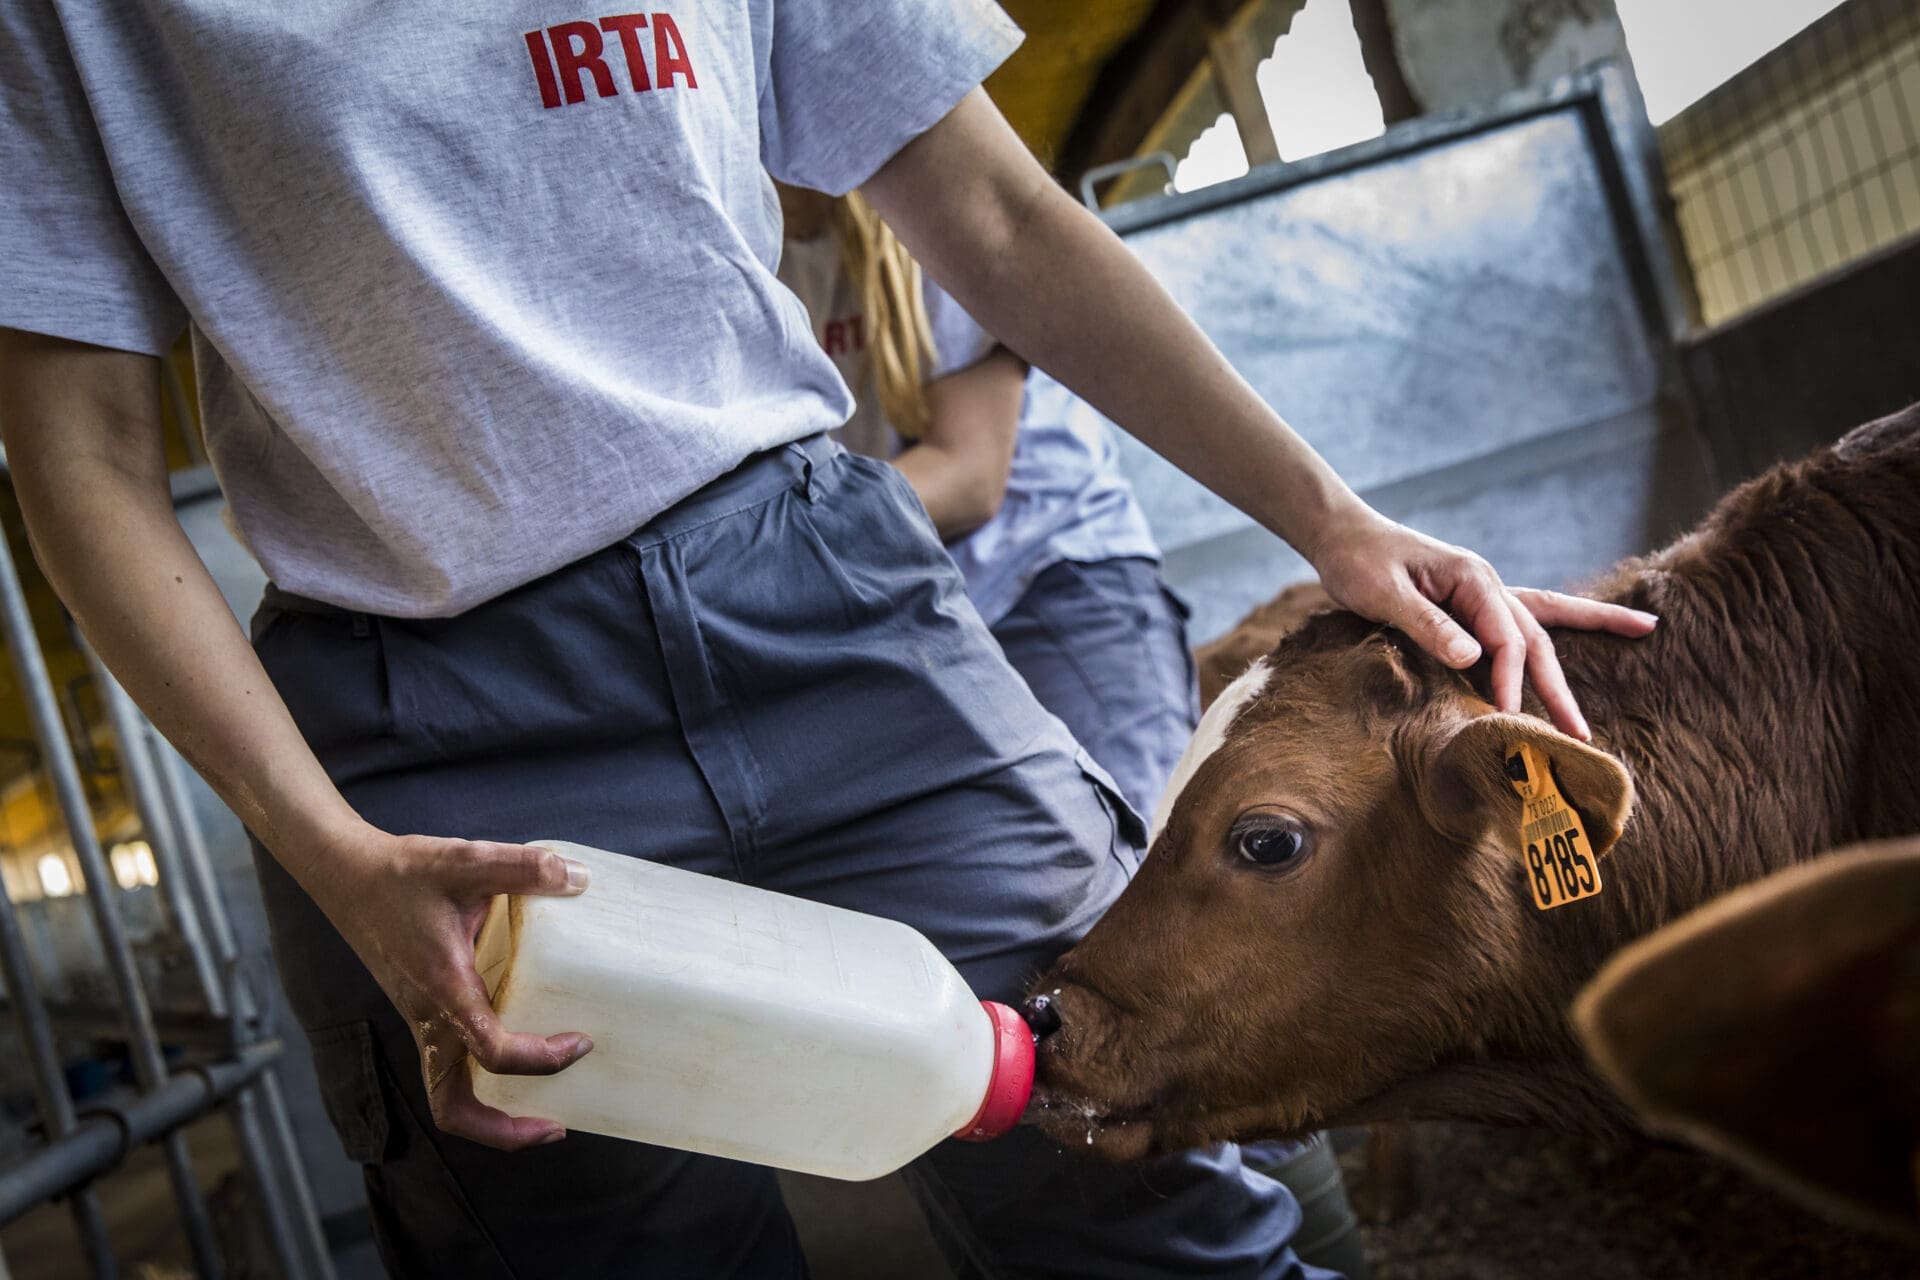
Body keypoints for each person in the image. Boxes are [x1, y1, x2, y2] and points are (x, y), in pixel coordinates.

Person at [0, 3, 1655, 1277]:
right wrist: (333, 853)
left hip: (819, 601)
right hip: (439, 716)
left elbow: (992, 210)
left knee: (1147, 1135)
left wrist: (1332, 520)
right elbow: (76, 451)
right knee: (602, 1248)